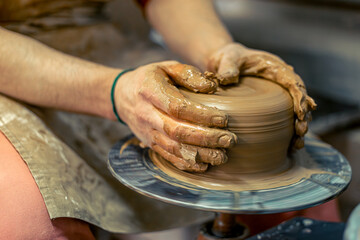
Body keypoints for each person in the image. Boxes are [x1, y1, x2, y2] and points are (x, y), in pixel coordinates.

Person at [0, 0, 336, 239]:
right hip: (10, 64)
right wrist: (114, 92)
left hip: (100, 42)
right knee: (33, 220)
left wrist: (217, 49)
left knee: (289, 182)